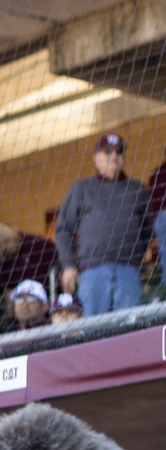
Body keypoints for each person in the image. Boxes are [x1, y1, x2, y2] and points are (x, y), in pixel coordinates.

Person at [56, 133, 151, 315]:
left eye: (119, 151)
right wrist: (68, 265)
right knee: (93, 331)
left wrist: (134, 258)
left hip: (128, 271)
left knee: (129, 331)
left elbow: (147, 229)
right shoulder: (82, 188)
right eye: (107, 151)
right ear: (95, 158)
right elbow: (63, 230)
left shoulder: (138, 189)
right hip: (92, 272)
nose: (113, 155)